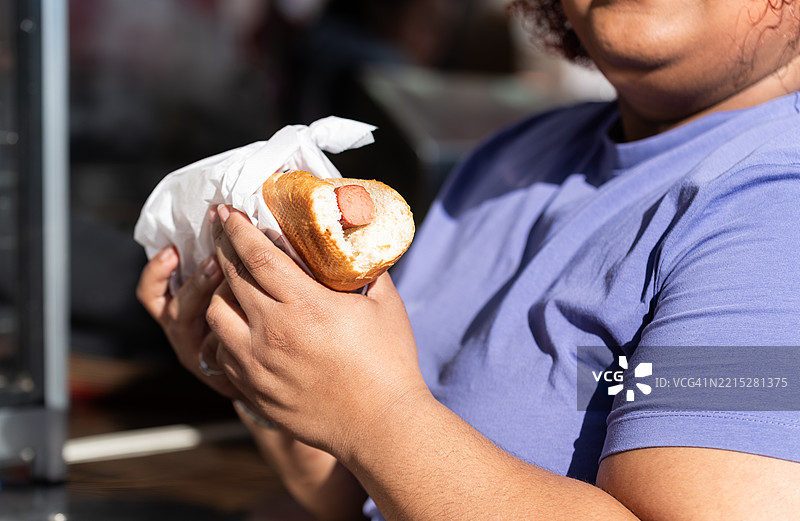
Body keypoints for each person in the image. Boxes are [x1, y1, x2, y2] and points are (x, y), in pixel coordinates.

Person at [137, 1, 800, 519]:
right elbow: (356, 491)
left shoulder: (778, 206)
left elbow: (381, 428)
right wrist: (259, 362)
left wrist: (378, 416)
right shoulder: (512, 159)